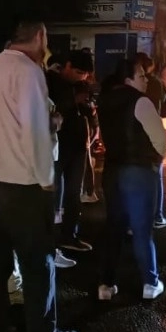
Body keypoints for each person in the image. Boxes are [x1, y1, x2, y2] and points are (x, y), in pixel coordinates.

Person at [0, 20, 79, 332]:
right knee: (37, 259)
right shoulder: (28, 72)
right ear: (39, 38)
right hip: (22, 180)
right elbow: (33, 131)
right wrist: (46, 177)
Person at [96, 58, 166, 302]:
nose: (146, 79)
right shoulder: (141, 102)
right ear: (128, 80)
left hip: (113, 171)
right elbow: (160, 139)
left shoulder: (104, 101)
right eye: (141, 76)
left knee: (114, 228)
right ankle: (150, 282)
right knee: (141, 229)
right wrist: (155, 162)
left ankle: (106, 285)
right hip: (138, 172)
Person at [46, 50, 95, 253]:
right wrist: (74, 100)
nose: (81, 76)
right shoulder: (51, 82)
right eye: (77, 71)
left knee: (74, 193)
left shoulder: (79, 85)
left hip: (78, 146)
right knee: (52, 193)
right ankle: (49, 242)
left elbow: (84, 111)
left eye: (84, 74)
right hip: (59, 146)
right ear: (66, 66)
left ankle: (69, 235)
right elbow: (53, 111)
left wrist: (87, 108)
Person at [135, 52, 166, 229]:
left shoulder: (128, 84)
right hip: (154, 134)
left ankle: (135, 220)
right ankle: (157, 217)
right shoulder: (158, 84)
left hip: (134, 136)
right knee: (155, 176)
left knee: (134, 177)